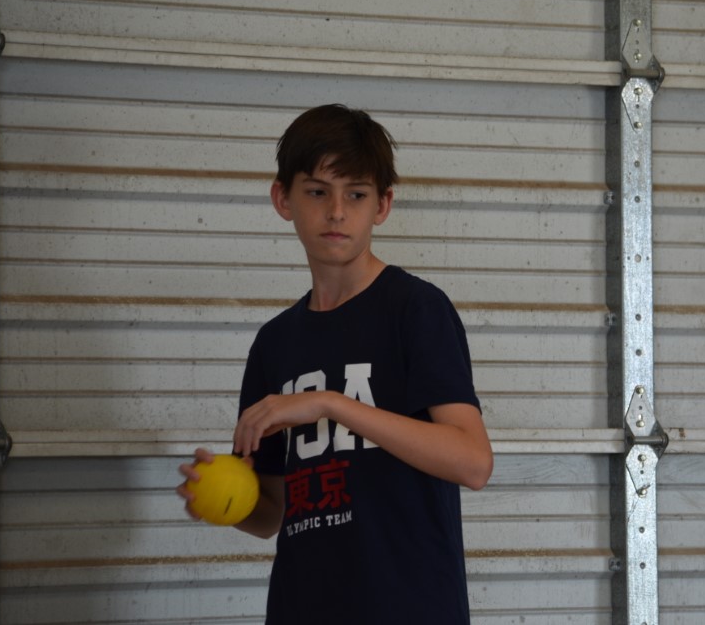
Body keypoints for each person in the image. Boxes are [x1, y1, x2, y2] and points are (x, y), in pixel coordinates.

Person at [177, 104, 494, 624]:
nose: (337, 212)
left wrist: (329, 404)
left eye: (357, 194)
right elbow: (272, 512)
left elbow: (473, 462)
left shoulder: (415, 309)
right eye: (318, 192)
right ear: (283, 199)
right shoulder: (274, 343)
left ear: (382, 205)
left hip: (410, 609)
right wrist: (222, 499)